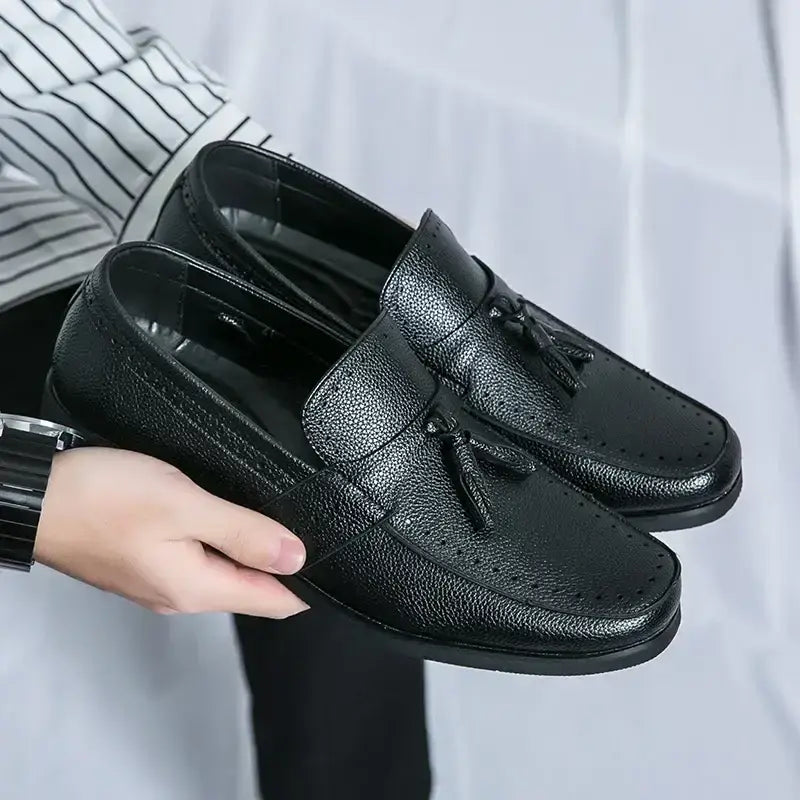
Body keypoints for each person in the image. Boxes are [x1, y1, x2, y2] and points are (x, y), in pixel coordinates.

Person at [0, 2, 430, 798]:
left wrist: (277, 228)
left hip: (29, 251)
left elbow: (37, 54)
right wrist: (25, 495)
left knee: (341, 452)